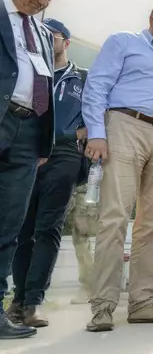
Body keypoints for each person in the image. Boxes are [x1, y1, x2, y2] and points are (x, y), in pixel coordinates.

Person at [82, 2, 153, 332]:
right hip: (126, 126)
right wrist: (98, 133)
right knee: (115, 216)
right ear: (152, 20)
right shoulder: (123, 42)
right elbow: (97, 86)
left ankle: (143, 302)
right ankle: (103, 305)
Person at [8, 18, 88, 329]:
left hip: (65, 156)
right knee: (21, 229)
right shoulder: (34, 73)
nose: (47, 40)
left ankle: (33, 303)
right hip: (30, 153)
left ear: (66, 42)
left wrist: (78, 134)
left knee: (48, 227)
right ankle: (17, 299)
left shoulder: (83, 77)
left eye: (53, 36)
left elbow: (97, 114)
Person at [0, 0, 64, 340]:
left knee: (8, 228)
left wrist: (43, 140)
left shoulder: (42, 32)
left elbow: (43, 79)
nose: (42, 2)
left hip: (28, 135)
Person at [67, 184, 99, 305]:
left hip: (94, 185)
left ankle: (92, 287)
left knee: (109, 237)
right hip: (82, 188)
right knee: (80, 239)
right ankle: (90, 286)